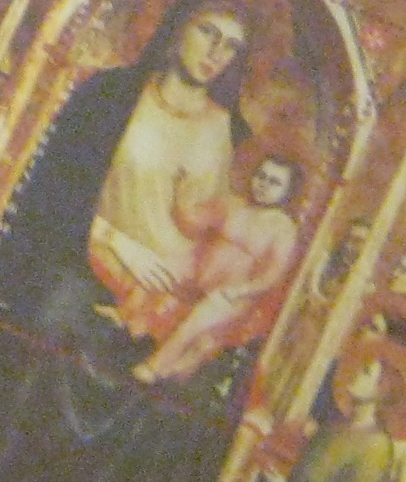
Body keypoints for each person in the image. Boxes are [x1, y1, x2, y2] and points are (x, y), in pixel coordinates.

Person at [0, 0, 270, 482]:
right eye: (208, 32)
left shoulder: (225, 129)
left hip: (161, 294)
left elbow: (208, 230)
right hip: (83, 261)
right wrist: (115, 240)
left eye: (231, 47)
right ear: (179, 26)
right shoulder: (111, 96)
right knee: (49, 327)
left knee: (187, 399)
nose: (216, 53)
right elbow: (56, 191)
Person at [130, 151, 304, 385]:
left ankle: (155, 367)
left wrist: (239, 291)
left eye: (274, 182)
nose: (263, 185)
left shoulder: (282, 228)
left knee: (207, 310)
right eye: (261, 176)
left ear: (287, 191)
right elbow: (192, 220)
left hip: (235, 295)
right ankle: (126, 322)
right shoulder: (234, 204)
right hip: (198, 274)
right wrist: (180, 191)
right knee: (164, 266)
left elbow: (272, 276)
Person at [270, 355, 406, 482]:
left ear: (380, 391)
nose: (356, 374)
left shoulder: (376, 446)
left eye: (366, 372)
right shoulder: (334, 426)